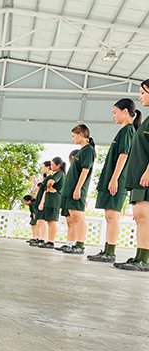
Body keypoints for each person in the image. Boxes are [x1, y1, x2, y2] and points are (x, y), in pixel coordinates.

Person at [88, 98, 139, 262]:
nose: (113, 116)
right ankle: (107, 250)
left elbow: (123, 155)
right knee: (109, 216)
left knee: (113, 216)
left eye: (114, 112)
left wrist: (114, 179)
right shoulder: (123, 130)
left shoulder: (128, 131)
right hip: (112, 178)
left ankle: (110, 252)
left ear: (125, 112)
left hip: (118, 180)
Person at [114, 79, 149, 271]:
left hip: (145, 176)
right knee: (139, 217)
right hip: (137, 176)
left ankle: (145, 259)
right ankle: (139, 256)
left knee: (144, 216)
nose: (140, 96)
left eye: (143, 92)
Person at [59, 124, 96, 255]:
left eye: (74, 136)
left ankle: (80, 244)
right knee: (71, 218)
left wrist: (78, 189)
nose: (73, 139)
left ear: (81, 134)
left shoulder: (88, 150)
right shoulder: (81, 151)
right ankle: (71, 243)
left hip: (77, 190)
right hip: (69, 189)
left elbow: (85, 171)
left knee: (78, 217)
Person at [37, 157, 65, 249]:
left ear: (58, 165)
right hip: (49, 200)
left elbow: (51, 182)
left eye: (53, 165)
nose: (51, 166)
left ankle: (51, 241)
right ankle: (48, 240)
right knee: (49, 221)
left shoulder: (60, 174)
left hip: (54, 200)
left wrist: (49, 187)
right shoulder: (55, 173)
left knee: (52, 221)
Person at [29, 162, 51, 246]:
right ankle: (38, 238)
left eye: (43, 167)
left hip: (44, 202)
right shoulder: (46, 178)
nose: (42, 168)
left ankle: (42, 239)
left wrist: (42, 202)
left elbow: (46, 191)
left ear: (48, 167)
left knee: (42, 221)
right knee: (38, 221)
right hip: (39, 201)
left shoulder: (50, 178)